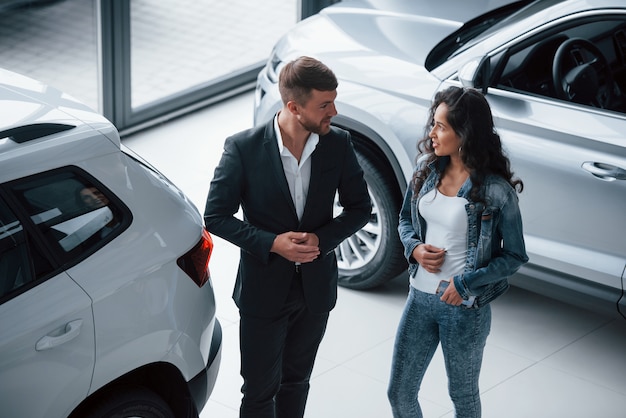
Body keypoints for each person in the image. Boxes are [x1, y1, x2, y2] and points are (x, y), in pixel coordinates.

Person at [203, 56, 371, 418]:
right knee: (260, 391)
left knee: (297, 381)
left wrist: (323, 240)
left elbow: (360, 208)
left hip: (315, 290)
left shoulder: (338, 144)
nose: (334, 111)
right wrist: (272, 242)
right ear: (295, 107)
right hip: (263, 291)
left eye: (334, 100)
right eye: (324, 104)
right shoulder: (243, 149)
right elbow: (215, 216)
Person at [387, 86, 529, 418]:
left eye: (441, 126)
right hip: (419, 298)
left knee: (462, 397)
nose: (432, 133)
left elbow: (515, 256)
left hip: (463, 308)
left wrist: (464, 285)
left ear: (464, 134)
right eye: (433, 123)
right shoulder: (427, 170)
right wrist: (415, 248)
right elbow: (406, 219)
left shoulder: (496, 190)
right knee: (399, 392)